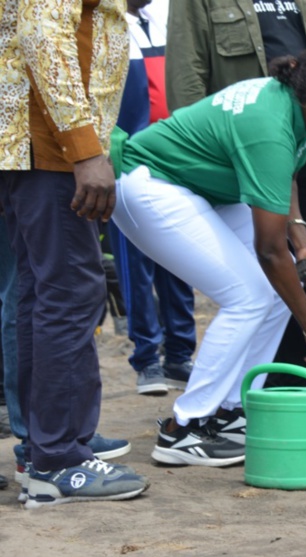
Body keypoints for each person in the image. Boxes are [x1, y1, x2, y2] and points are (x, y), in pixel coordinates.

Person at [112, 43, 306, 467]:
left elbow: (281, 174)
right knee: (250, 294)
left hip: (198, 187)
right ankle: (186, 426)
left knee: (276, 292)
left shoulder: (290, 101)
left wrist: (301, 239)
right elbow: (268, 251)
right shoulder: (268, 124)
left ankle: (229, 411)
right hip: (151, 185)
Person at [0, 0, 149, 507]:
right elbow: (44, 35)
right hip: (52, 149)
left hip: (37, 145)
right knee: (68, 293)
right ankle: (58, 459)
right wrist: (85, 150)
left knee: (42, 293)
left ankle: (47, 444)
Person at [166, 0, 306, 390]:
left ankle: (291, 388)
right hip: (245, 155)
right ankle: (246, 391)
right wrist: (200, 158)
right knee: (259, 279)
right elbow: (186, 75)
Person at [107, 0, 198, 396]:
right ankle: (146, 358)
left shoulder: (164, 17)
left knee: (180, 260)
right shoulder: (108, 22)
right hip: (130, 162)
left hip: (174, 160)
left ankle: (179, 354)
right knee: (135, 265)